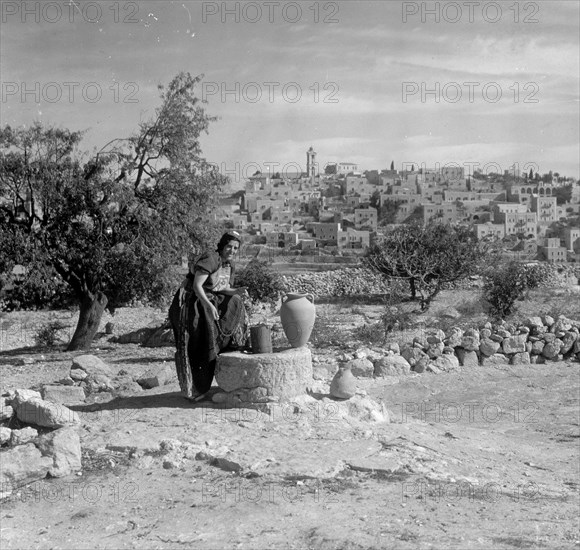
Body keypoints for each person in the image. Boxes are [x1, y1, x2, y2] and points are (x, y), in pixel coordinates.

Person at [169, 231, 249, 401]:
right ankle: (195, 388)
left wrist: (237, 291)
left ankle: (232, 343)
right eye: (229, 246)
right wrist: (209, 305)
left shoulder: (229, 265)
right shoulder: (211, 259)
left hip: (209, 299)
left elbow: (222, 288)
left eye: (235, 248)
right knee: (196, 343)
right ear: (222, 245)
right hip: (193, 302)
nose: (232, 251)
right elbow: (198, 286)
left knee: (235, 301)